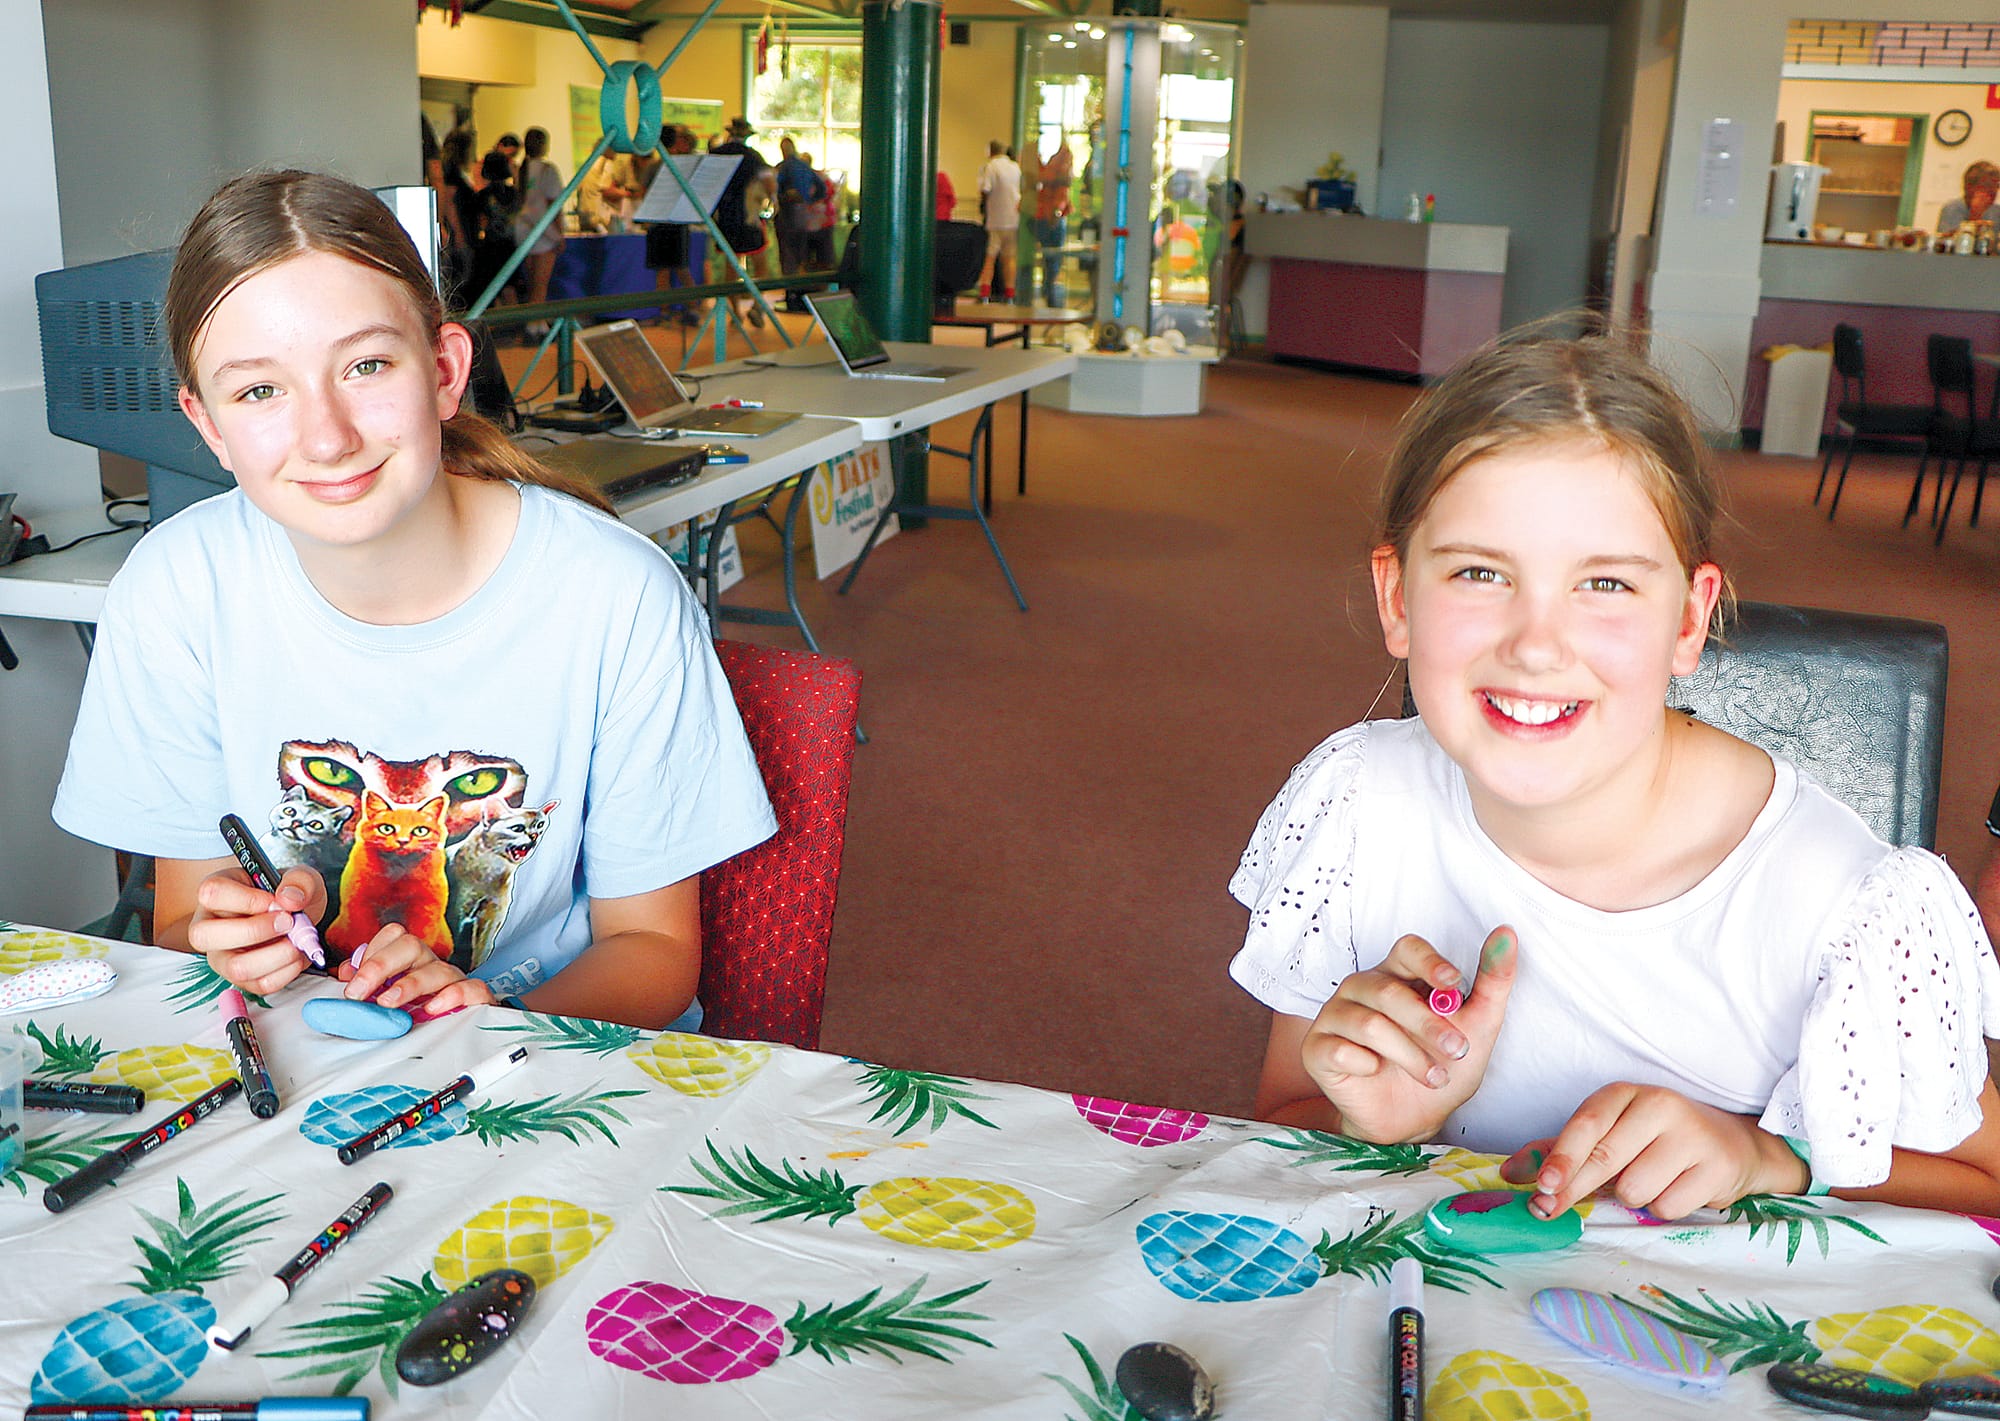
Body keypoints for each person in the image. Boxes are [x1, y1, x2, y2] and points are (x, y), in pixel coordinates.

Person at [1231, 330, 2000, 1219]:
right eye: (1480, 572)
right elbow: (1282, 1117)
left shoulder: (1836, 903)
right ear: (1399, 599)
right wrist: (1375, 1121)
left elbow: (1986, 1183)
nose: (1535, 644)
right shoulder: (1357, 806)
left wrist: (1765, 1155)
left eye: (1605, 585)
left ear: (1689, 619)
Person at [51, 169, 776, 1031]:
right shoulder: (172, 589)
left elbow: (655, 953)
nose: (327, 436)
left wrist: (485, 1015)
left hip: (539, 1056)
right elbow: (180, 922)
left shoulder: (615, 595)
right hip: (306, 1059)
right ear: (207, 425)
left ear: (443, 370)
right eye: (258, 391)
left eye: (365, 366)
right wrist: (231, 940)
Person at [710, 116, 776, 328]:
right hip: (749, 219)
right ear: (747, 135)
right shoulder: (753, 157)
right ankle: (757, 306)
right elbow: (769, 184)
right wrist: (772, 202)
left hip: (724, 218)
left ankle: (735, 313)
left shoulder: (716, 155)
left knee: (731, 266)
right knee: (761, 266)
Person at [512, 127, 566, 336]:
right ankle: (536, 325)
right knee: (541, 284)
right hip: (544, 231)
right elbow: (554, 203)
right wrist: (559, 234)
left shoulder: (521, 170)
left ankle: (533, 323)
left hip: (524, 230)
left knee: (532, 280)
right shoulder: (548, 169)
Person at [772, 136, 826, 311]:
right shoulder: (805, 166)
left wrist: (780, 199)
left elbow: (774, 188)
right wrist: (810, 200)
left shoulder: (783, 167)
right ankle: (801, 294)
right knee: (802, 254)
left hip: (788, 213)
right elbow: (822, 188)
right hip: (803, 214)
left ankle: (791, 295)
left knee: (787, 256)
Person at [977, 139, 1022, 302]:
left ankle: (984, 293)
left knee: (990, 256)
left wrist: (983, 205)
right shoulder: (1015, 167)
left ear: (991, 151)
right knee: (1009, 258)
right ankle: (1010, 293)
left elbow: (985, 189)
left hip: (996, 218)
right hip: (1013, 219)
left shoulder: (991, 166)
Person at [1033, 137, 1074, 306]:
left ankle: (1047, 291)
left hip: (1043, 215)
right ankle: (1049, 293)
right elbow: (1061, 196)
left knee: (1048, 257)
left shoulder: (1047, 167)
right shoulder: (1060, 168)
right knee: (1053, 258)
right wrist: (1057, 213)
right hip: (1052, 217)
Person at [1938, 160, 1998, 234]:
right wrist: (1975, 215)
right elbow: (1954, 242)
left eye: (1997, 186)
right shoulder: (1952, 209)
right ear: (1969, 187)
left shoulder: (1996, 211)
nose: (1994, 191)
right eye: (1988, 185)